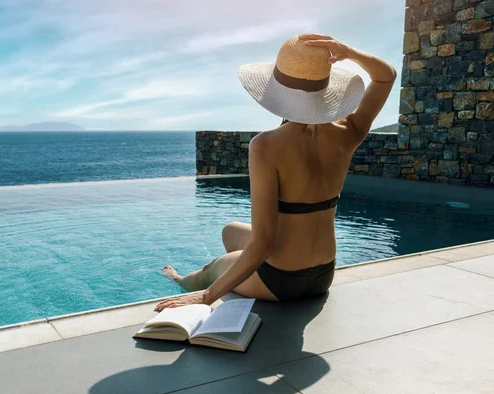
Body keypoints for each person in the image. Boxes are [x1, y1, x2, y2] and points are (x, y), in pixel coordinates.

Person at [156, 33, 396, 312]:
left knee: (212, 269)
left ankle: (183, 281)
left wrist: (206, 296)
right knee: (231, 232)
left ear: (278, 92)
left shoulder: (265, 146)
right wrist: (348, 51)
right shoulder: (349, 132)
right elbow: (385, 77)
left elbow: (265, 243)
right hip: (322, 275)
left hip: (280, 282)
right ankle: (240, 276)